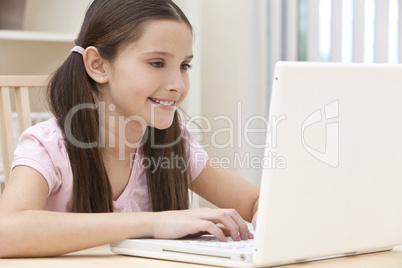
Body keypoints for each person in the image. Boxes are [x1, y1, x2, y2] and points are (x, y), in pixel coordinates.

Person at [0, 0, 259, 257]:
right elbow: (6, 232)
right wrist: (154, 223)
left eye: (184, 66)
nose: (178, 85)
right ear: (98, 65)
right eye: (157, 63)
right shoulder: (49, 145)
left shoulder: (174, 144)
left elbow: (258, 203)